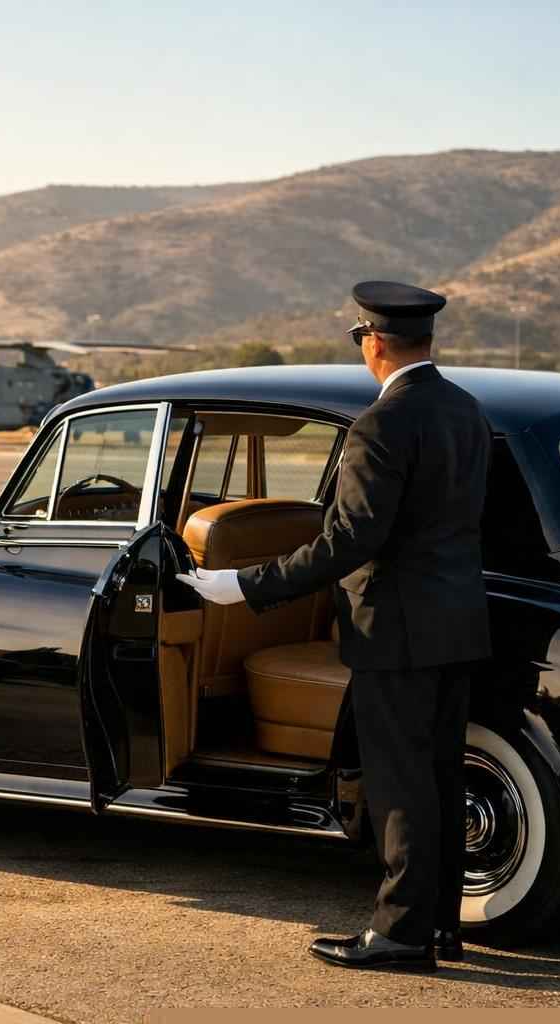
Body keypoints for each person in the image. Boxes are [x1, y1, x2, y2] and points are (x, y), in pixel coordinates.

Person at [178, 281, 491, 973]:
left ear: (373, 342)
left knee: (400, 787)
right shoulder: (466, 410)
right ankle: (439, 927)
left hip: (394, 631)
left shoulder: (382, 424)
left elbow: (349, 540)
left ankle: (401, 935)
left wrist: (244, 584)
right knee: (439, 780)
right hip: (456, 624)